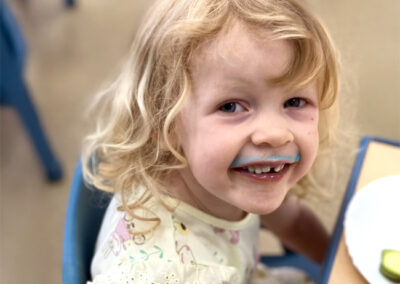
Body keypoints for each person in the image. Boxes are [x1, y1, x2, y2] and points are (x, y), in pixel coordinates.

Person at [82, 0, 343, 282]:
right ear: (163, 122)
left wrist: (344, 267)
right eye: (231, 106)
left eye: (294, 101)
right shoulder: (161, 274)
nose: (275, 134)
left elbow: (293, 221)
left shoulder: (236, 173)